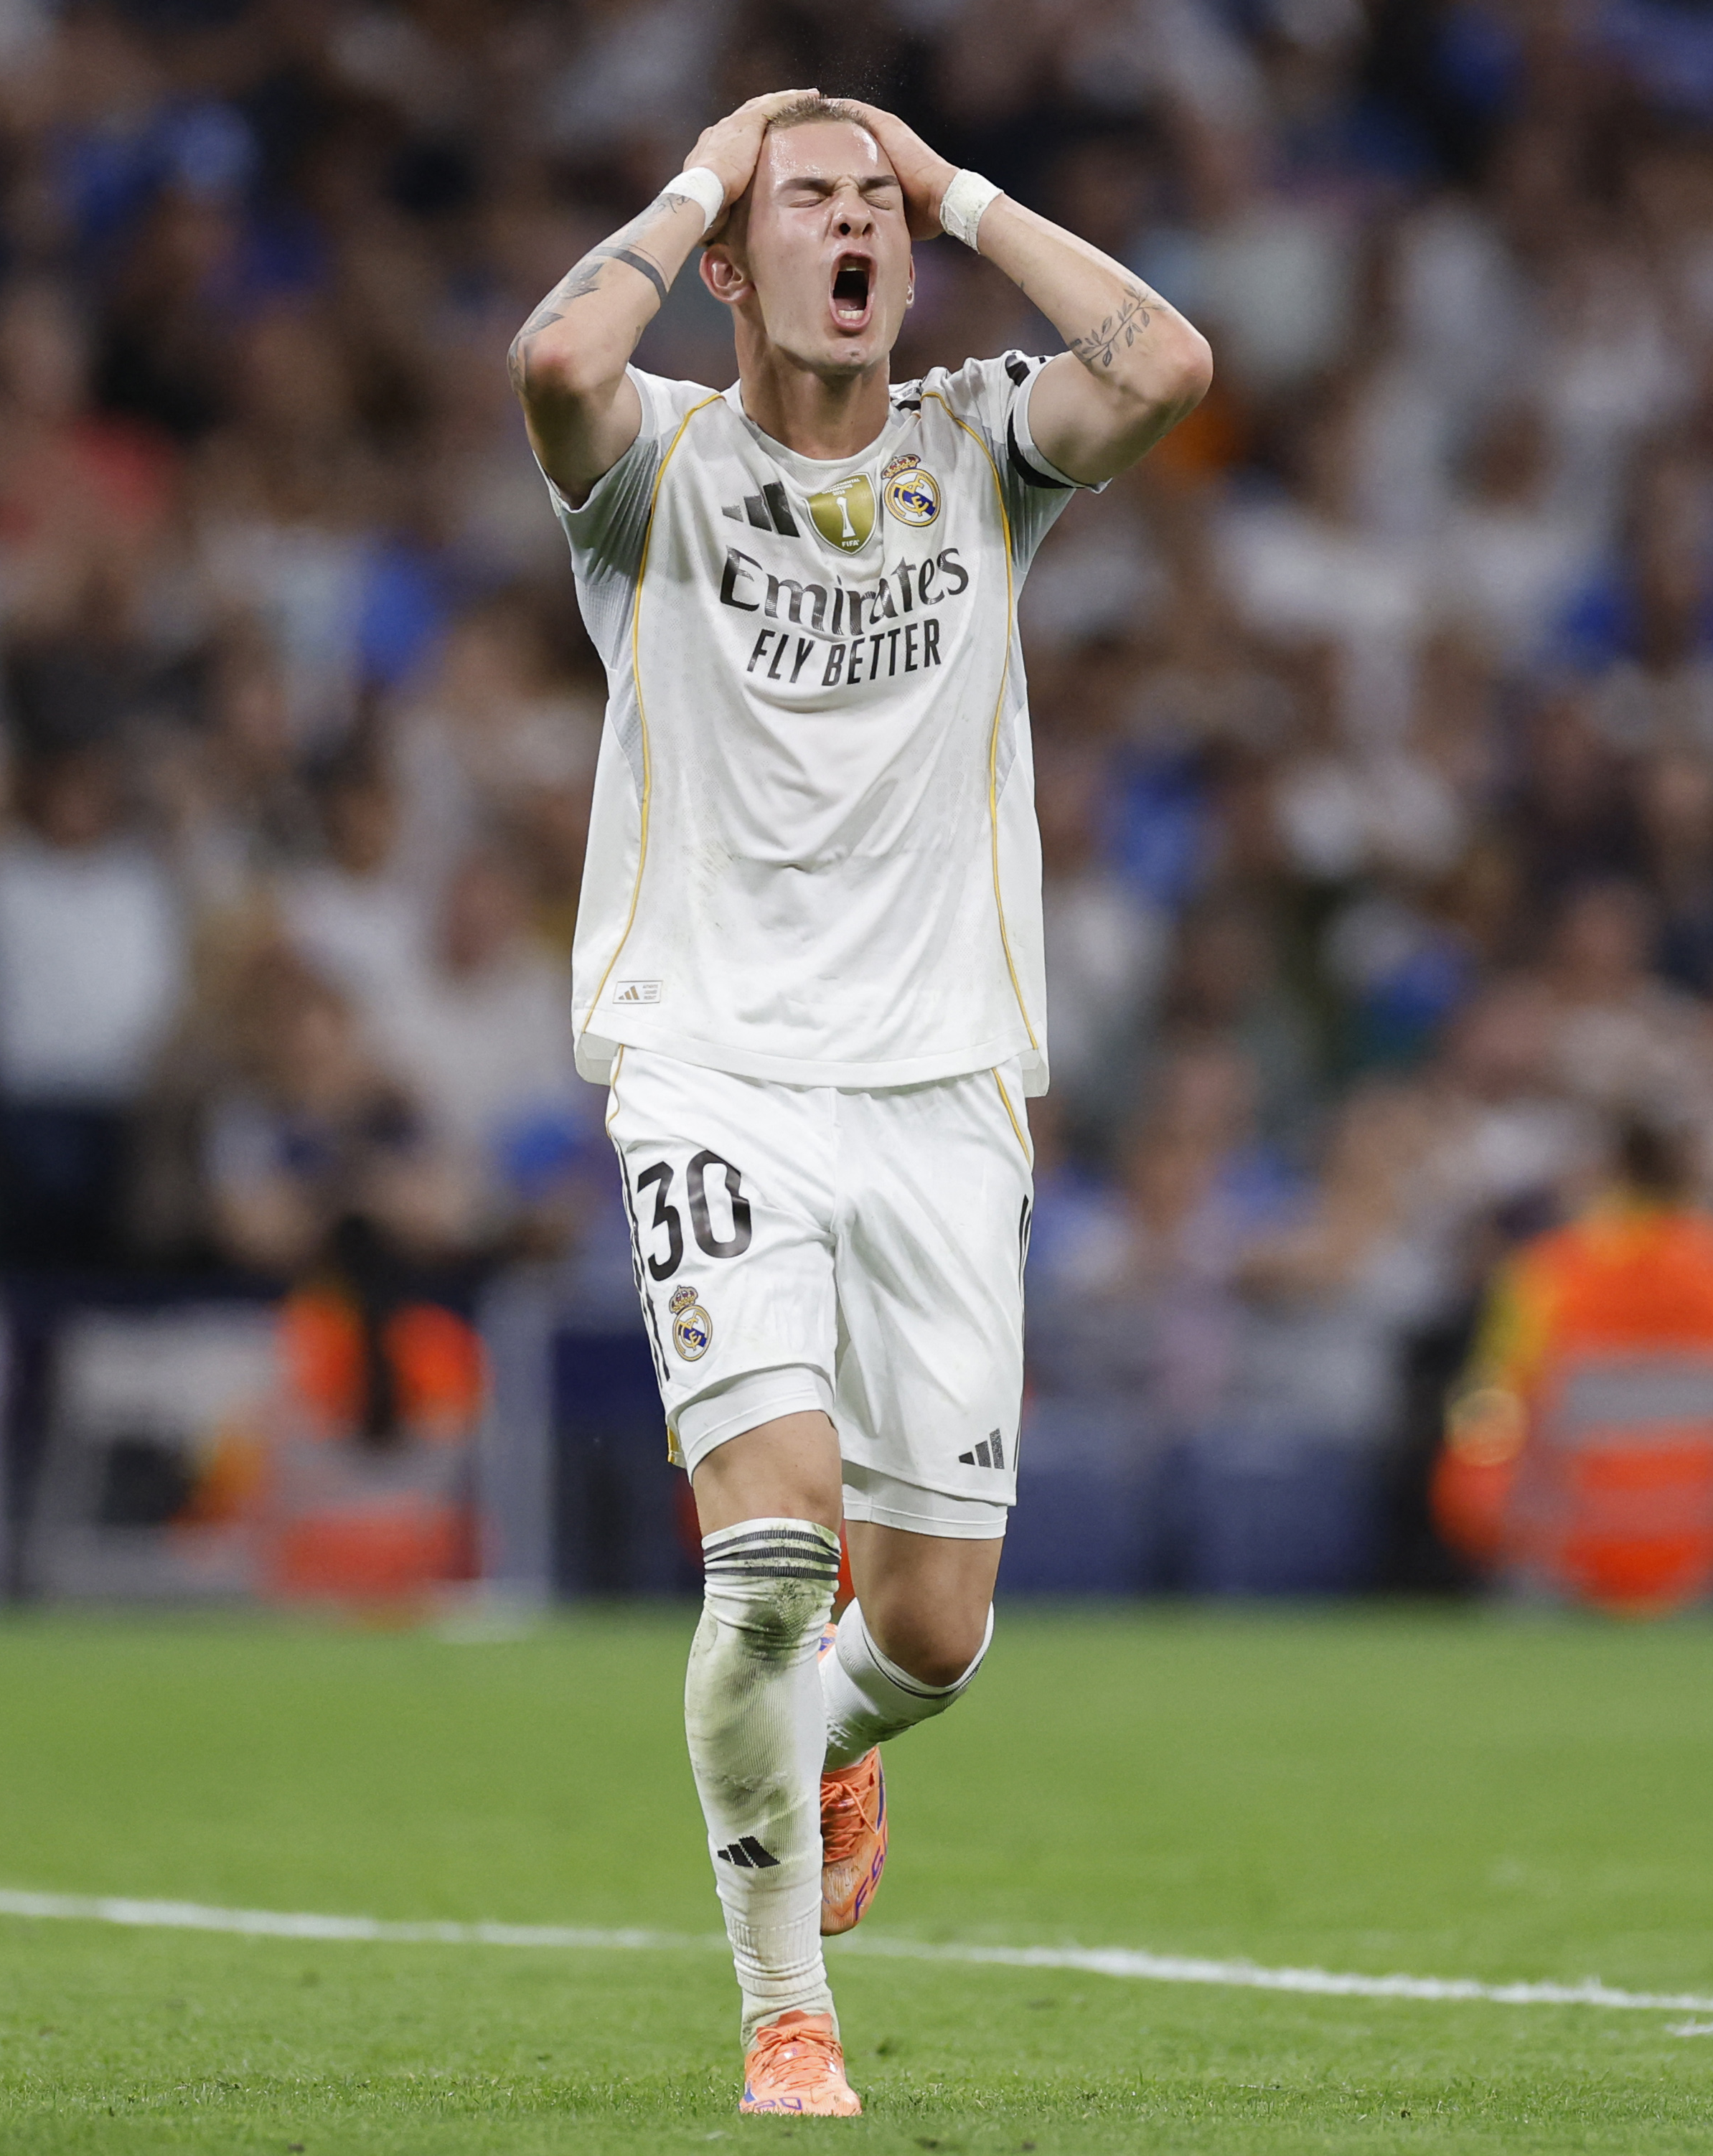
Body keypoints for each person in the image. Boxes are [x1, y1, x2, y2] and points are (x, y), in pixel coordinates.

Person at [507, 90, 1209, 2115]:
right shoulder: (652, 465)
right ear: (734, 260)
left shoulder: (979, 447)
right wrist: (709, 165)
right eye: (810, 209)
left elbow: (1163, 361)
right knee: (773, 1561)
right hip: (714, 1073)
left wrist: (961, 181)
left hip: (941, 1096)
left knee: (931, 1626)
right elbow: (554, 353)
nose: (855, 236)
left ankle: (832, 1743)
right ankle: (784, 2013)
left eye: (877, 217)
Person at [1432, 1119, 1713, 1616]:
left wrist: (1478, 1529)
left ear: (1606, 1170)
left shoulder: (1548, 1274)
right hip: (1700, 1562)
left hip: (1561, 1559)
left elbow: (1485, 1421)